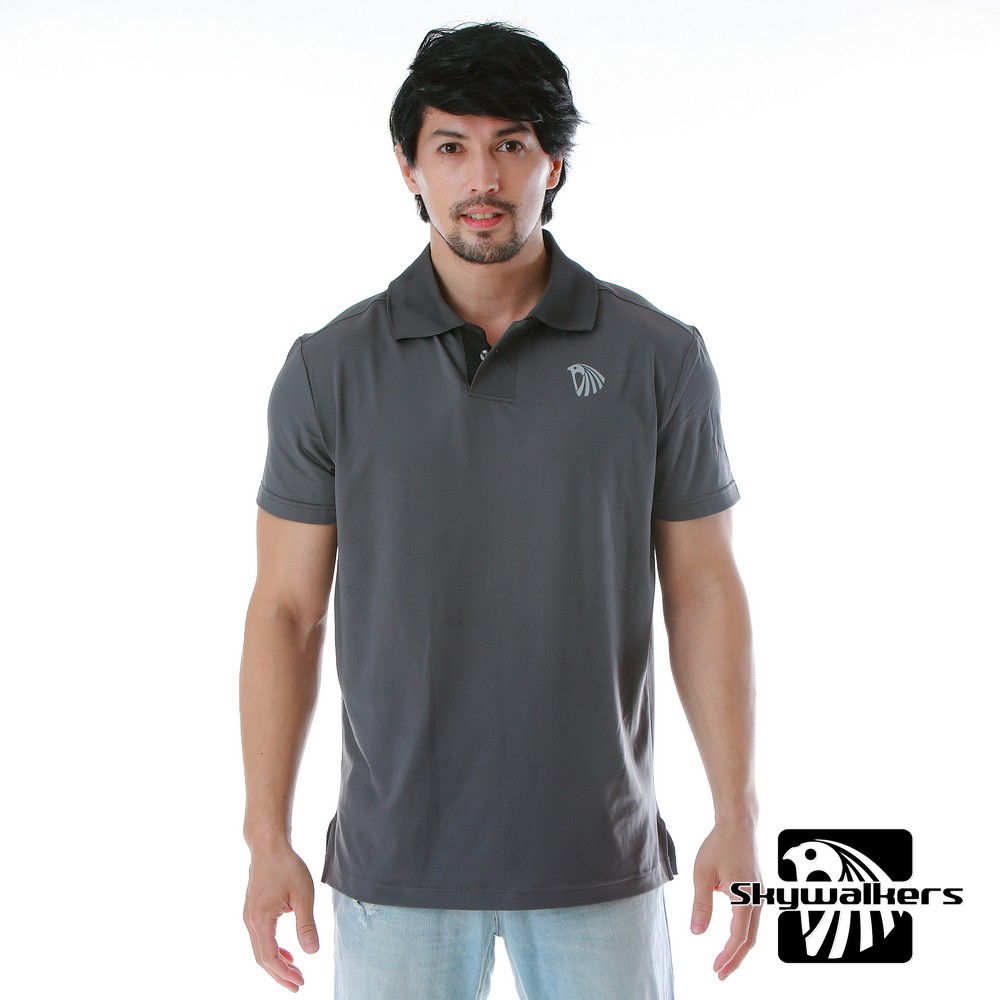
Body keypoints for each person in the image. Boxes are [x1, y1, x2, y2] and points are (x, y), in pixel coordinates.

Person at [240, 21, 760, 999]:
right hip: (395, 869)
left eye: (511, 144)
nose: (482, 178)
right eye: (451, 146)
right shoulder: (328, 370)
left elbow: (702, 589)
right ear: (409, 166)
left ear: (552, 163)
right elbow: (286, 611)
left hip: (596, 861)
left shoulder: (656, 356)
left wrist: (736, 810)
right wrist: (266, 836)